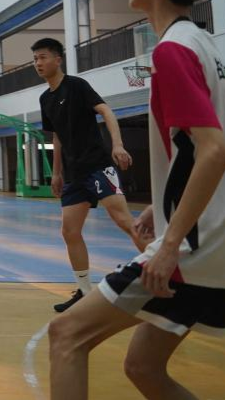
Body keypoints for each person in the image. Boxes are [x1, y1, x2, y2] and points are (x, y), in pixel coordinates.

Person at [47, 0, 225, 400]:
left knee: (66, 335)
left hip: (196, 244)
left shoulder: (173, 51)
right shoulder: (206, 46)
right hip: (222, 236)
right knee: (143, 367)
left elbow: (217, 150)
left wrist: (171, 241)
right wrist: (161, 208)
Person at [31, 37, 146, 313]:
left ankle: (166, 273)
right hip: (73, 174)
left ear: (58, 59)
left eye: (43, 57)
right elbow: (57, 136)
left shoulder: (77, 86)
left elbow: (105, 110)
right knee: (69, 231)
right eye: (35, 59)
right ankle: (84, 291)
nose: (38, 63)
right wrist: (56, 173)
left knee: (124, 221)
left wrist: (117, 145)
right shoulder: (45, 98)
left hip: (97, 165)